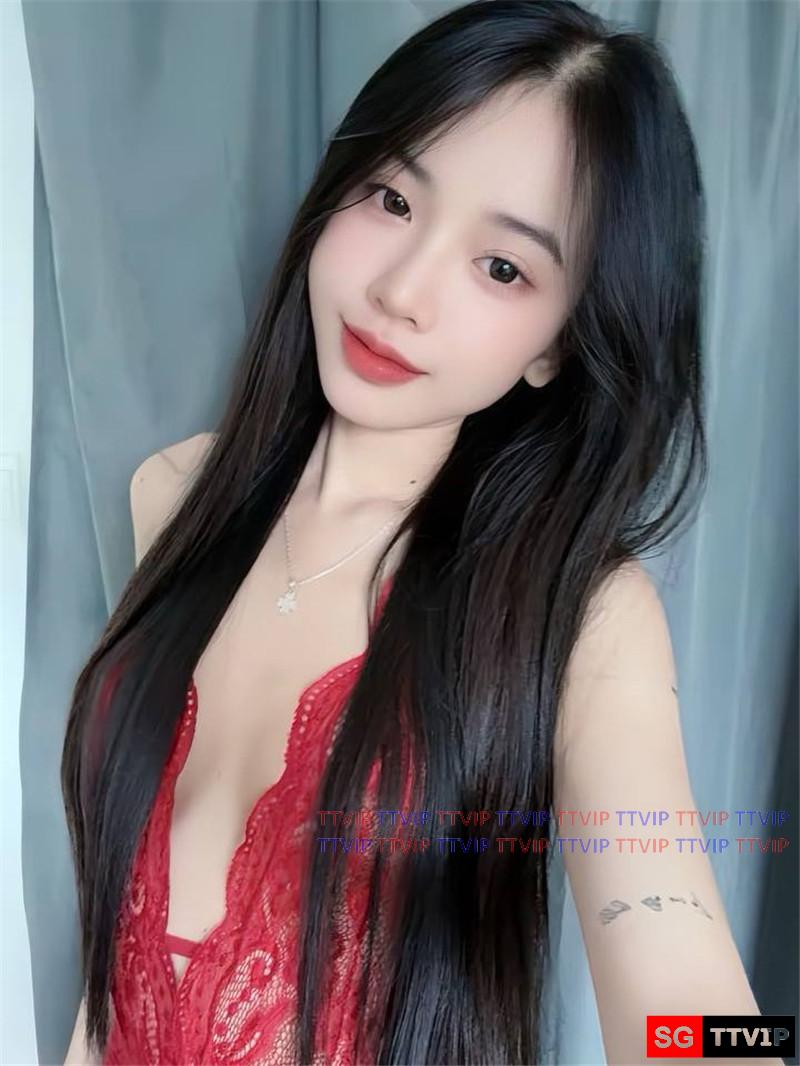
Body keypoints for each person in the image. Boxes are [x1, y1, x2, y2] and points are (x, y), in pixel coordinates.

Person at [61, 2, 779, 1063]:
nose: (400, 292)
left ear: (557, 344)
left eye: (503, 268)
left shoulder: (574, 610)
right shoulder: (172, 496)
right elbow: (112, 974)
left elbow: (681, 981)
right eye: (392, 198)